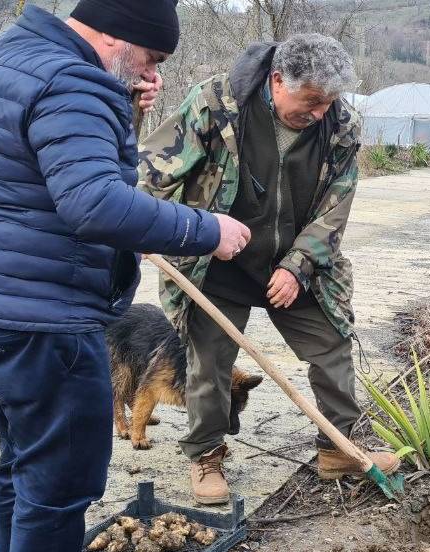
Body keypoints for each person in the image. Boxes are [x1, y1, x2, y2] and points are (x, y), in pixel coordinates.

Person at [0, 1, 250, 552]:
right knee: (60, 489)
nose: (151, 70)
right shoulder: (73, 83)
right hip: (44, 324)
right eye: (151, 57)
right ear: (118, 35)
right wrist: (205, 229)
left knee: (22, 465)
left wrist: (126, 107)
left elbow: (57, 168)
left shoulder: (5, 60)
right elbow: (96, 203)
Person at [138, 33, 400, 506]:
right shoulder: (217, 104)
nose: (321, 111)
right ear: (278, 81)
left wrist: (299, 265)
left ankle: (339, 448)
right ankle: (206, 454)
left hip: (297, 264)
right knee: (209, 362)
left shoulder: (339, 124)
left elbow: (337, 205)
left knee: (332, 346)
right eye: (312, 100)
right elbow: (155, 169)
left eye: (330, 101)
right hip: (218, 259)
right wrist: (133, 223)